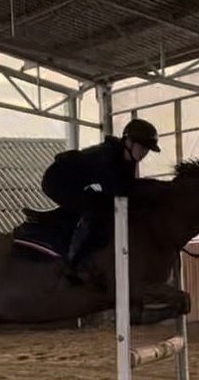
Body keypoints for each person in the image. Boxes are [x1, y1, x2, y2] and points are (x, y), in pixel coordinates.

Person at [40, 118, 161, 281]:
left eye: (147, 150)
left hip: (77, 183)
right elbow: (119, 194)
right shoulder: (107, 157)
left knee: (99, 206)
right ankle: (73, 262)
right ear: (129, 142)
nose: (145, 153)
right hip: (56, 181)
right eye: (143, 147)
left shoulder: (128, 160)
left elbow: (128, 188)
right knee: (93, 212)